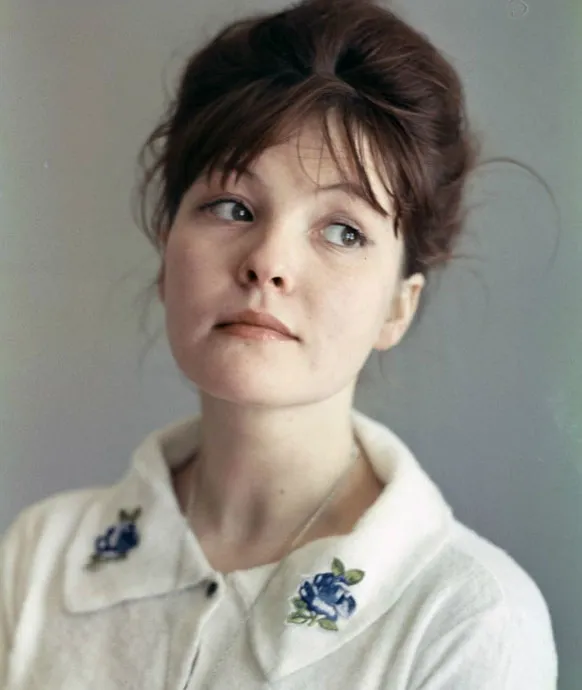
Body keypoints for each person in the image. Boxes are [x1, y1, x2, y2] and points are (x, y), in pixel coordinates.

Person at [0, 0, 558, 687]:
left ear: (398, 305)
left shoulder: (466, 619)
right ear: (167, 256)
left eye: (343, 231)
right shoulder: (39, 558)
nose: (268, 262)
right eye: (232, 208)